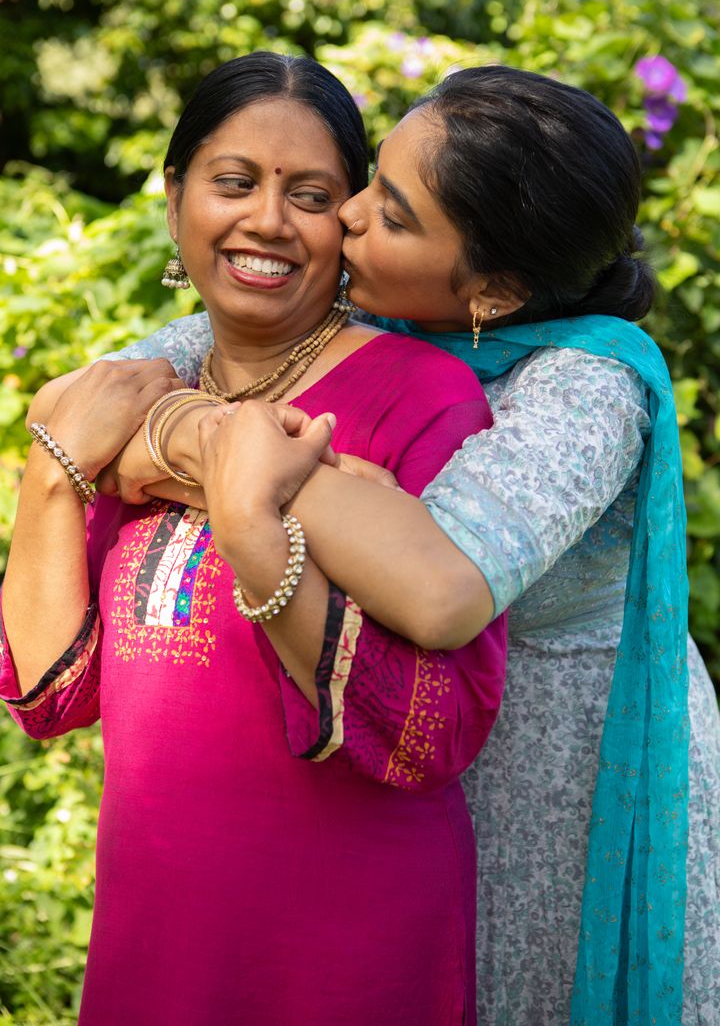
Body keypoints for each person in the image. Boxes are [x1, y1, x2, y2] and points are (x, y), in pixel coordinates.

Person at [93, 65, 720, 1025]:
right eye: (369, 181)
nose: (342, 214)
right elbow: (111, 407)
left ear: (496, 290)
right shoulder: (377, 324)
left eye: (390, 213)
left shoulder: (582, 390)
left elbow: (438, 591)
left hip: (564, 775)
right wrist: (236, 447)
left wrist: (242, 461)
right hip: (401, 756)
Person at [0, 53, 508, 1026]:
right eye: (233, 182)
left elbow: (434, 732)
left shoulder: (420, 397)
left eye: (310, 195)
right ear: (174, 196)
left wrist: (256, 537)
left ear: (349, 221)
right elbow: (50, 695)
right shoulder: (141, 397)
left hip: (345, 947)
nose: (267, 221)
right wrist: (51, 472)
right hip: (156, 926)